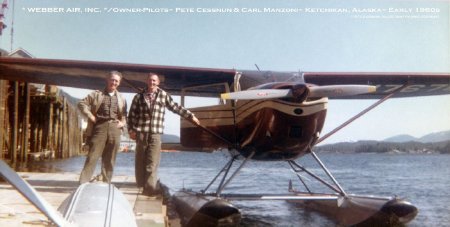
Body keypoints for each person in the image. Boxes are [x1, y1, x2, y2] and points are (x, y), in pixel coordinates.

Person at [127, 73, 200, 196]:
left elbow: (175, 107)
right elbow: (131, 115)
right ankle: (141, 185)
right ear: (147, 81)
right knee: (140, 160)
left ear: (158, 83)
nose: (152, 82)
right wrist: (131, 130)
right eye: (150, 80)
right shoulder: (138, 96)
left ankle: (150, 188)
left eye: (154, 81)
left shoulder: (163, 95)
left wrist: (190, 116)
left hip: (156, 132)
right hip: (141, 132)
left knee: (153, 161)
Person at [78, 70, 127, 184]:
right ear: (107, 80)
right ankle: (82, 183)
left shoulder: (122, 98)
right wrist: (90, 116)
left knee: (110, 159)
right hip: (99, 126)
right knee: (92, 156)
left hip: (115, 128)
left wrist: (122, 123)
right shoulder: (96, 94)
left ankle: (106, 182)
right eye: (112, 80)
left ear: (119, 83)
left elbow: (124, 114)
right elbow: (81, 104)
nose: (114, 82)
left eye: (116, 81)